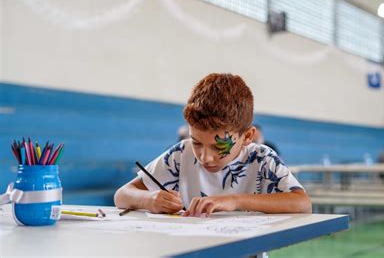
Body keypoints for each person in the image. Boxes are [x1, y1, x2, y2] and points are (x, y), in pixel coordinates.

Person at [114, 73, 311, 217]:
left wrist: (234, 200)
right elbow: (121, 195)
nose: (205, 157)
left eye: (219, 147)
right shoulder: (182, 154)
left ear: (247, 136)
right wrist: (149, 199)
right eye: (197, 142)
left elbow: (302, 203)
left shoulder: (261, 158)